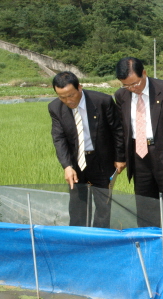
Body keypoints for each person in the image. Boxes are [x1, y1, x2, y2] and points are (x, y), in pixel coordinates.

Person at [114, 57, 163, 229]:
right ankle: (149, 244)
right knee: (144, 205)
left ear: (144, 73)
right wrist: (121, 157)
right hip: (138, 155)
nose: (132, 89)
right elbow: (121, 130)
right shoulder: (121, 96)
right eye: (126, 85)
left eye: (135, 83)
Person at [49, 71, 126, 228]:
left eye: (71, 95)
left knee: (103, 206)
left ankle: (99, 240)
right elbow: (59, 138)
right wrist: (67, 166)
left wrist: (120, 157)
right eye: (62, 97)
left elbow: (118, 130)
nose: (68, 101)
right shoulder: (55, 108)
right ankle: (79, 241)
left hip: (102, 161)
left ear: (80, 88)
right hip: (76, 163)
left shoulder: (102, 101)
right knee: (77, 206)